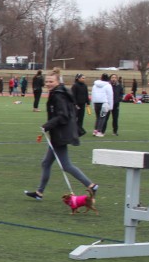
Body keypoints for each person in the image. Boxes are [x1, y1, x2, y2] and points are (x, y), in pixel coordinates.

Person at [24, 68, 97, 201]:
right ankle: (39, 192)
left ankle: (91, 185)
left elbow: (63, 116)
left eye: (51, 81)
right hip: (59, 133)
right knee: (46, 163)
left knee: (66, 165)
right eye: (47, 81)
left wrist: (47, 125)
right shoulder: (58, 92)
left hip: (60, 135)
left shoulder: (58, 95)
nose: (48, 84)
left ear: (58, 81)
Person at [91, 73, 114, 137]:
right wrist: (110, 107)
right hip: (104, 103)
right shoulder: (108, 85)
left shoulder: (95, 85)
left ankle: (95, 130)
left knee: (97, 117)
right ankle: (99, 131)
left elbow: (92, 95)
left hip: (96, 103)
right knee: (102, 117)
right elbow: (110, 96)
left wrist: (93, 104)